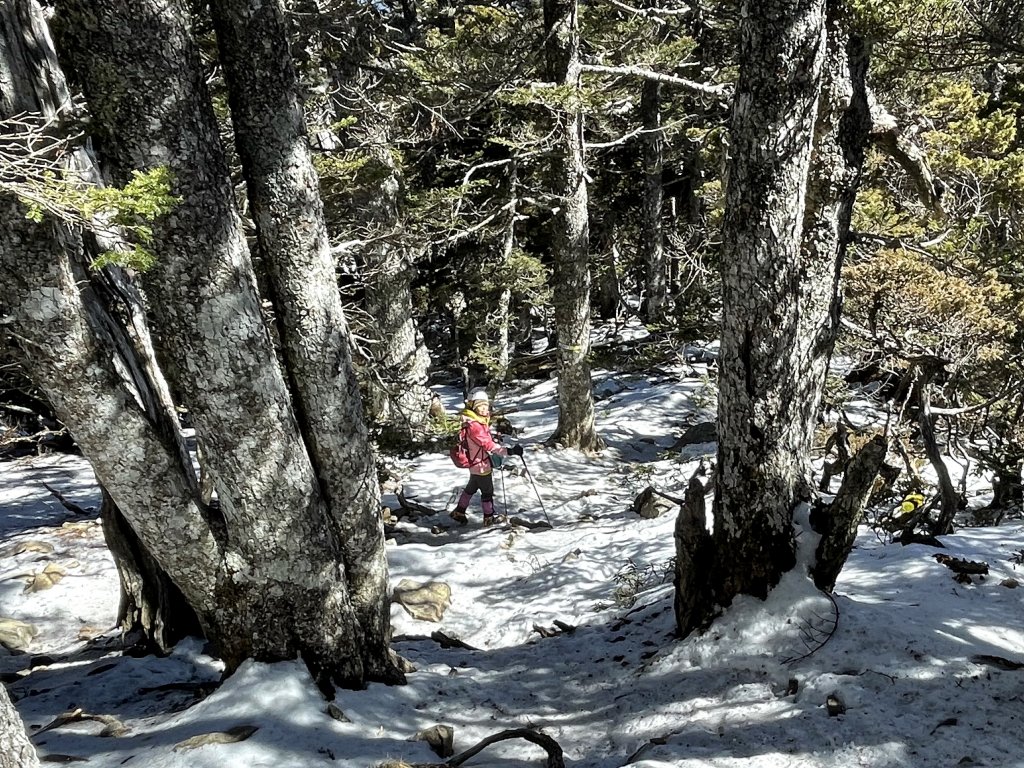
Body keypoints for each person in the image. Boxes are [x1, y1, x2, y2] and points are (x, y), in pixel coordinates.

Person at [450, 389, 524, 526]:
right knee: (487, 492)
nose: (484, 409)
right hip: (481, 465)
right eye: (480, 406)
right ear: (473, 407)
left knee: (471, 488)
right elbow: (488, 445)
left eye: (486, 405)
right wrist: (510, 451)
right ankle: (488, 517)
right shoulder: (475, 426)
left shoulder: (473, 422)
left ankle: (459, 512)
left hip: (475, 464)